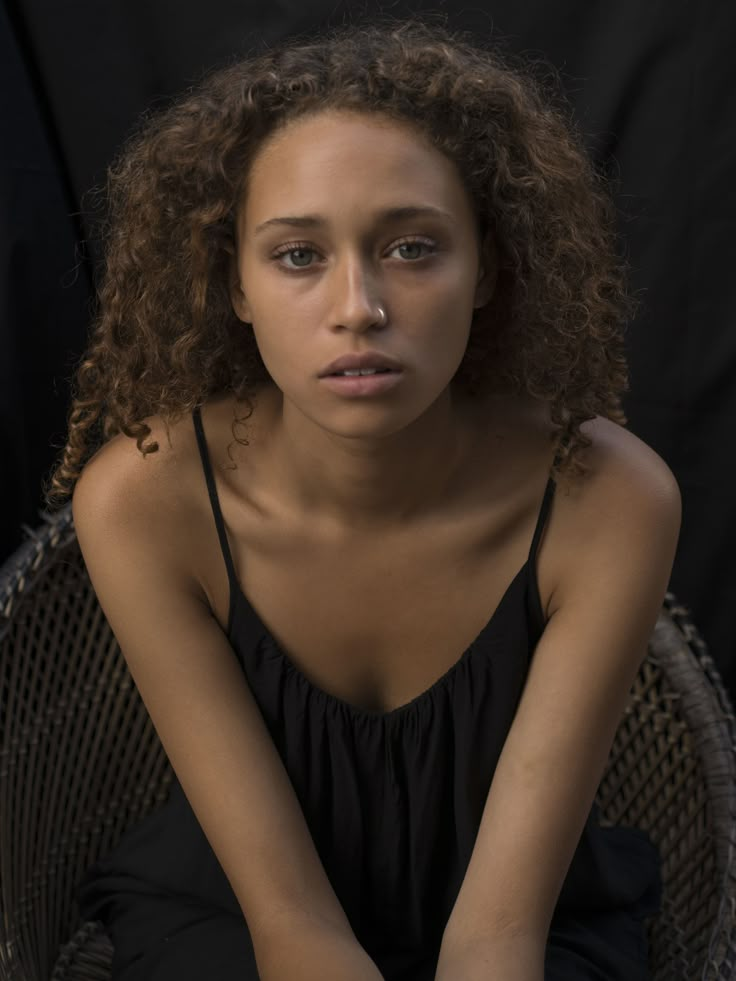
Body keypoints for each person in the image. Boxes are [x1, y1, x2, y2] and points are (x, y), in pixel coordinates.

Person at [44, 14, 681, 981]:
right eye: (298, 255)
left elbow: (496, 940)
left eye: (414, 248)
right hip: (244, 921)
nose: (359, 308)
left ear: (488, 271)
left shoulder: (610, 498)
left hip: (534, 923)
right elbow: (292, 932)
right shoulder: (144, 501)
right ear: (237, 288)